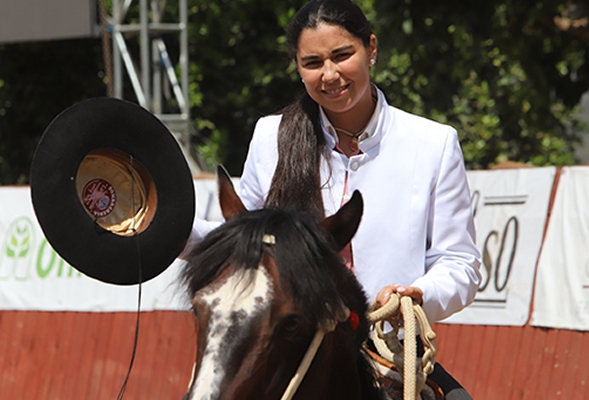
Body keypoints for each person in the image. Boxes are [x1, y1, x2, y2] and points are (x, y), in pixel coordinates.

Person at [190, 0, 481, 398]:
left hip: (391, 359)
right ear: (297, 66)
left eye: (342, 55)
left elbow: (459, 263)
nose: (329, 75)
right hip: (292, 356)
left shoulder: (434, 144)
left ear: (371, 49)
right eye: (312, 63)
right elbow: (239, 241)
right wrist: (159, 227)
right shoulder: (270, 136)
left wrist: (417, 294)